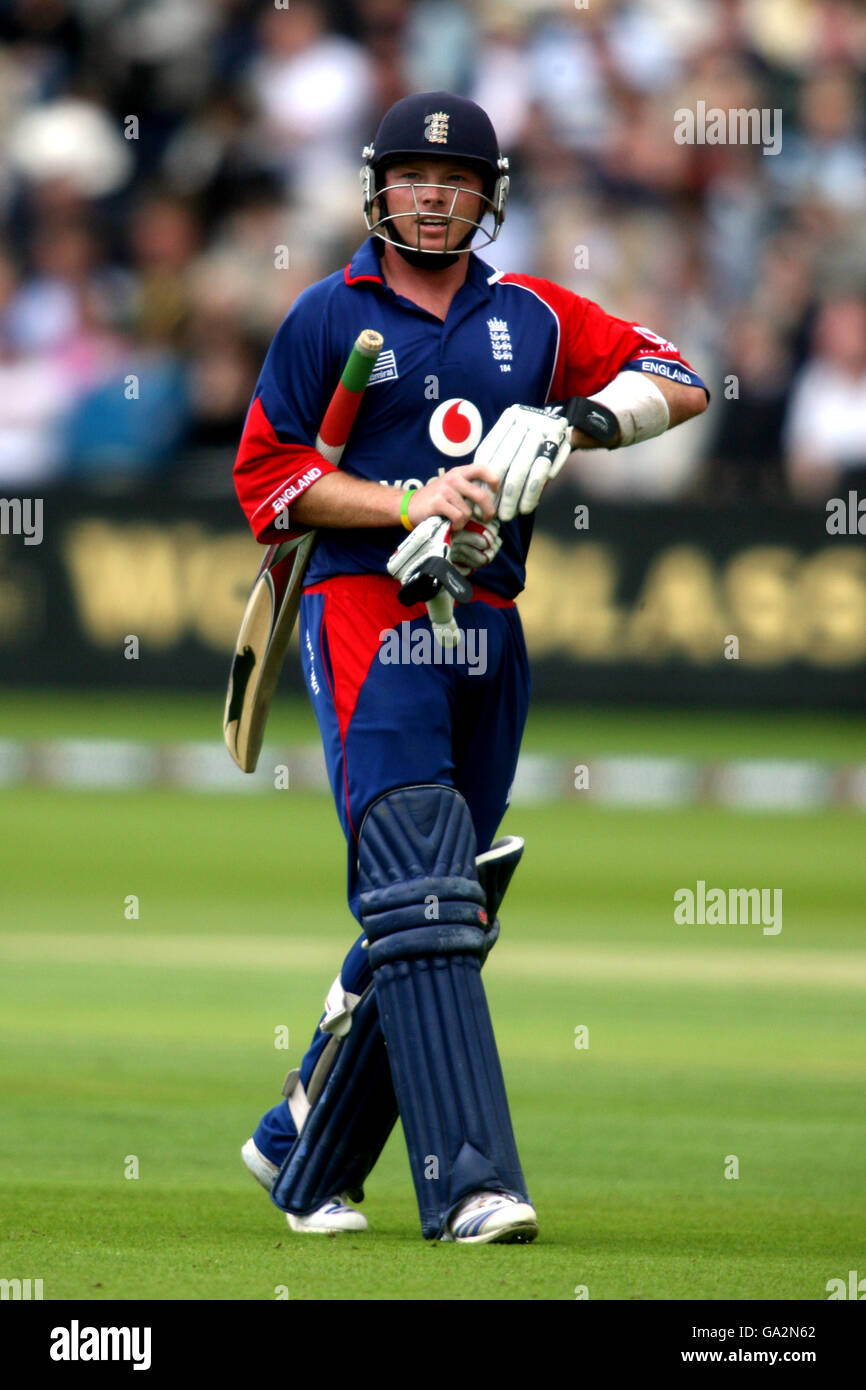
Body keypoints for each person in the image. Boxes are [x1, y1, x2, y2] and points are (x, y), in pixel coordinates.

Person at [232, 91, 708, 1245]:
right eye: (409, 176)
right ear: (376, 186)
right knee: (424, 891)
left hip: (488, 625)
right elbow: (268, 482)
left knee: (440, 896)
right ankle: (471, 1186)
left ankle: (302, 1146)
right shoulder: (324, 316)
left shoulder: (533, 316)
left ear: (487, 195)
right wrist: (403, 498)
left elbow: (680, 377)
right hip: (365, 613)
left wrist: (583, 424)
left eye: (452, 180)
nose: (430, 196)